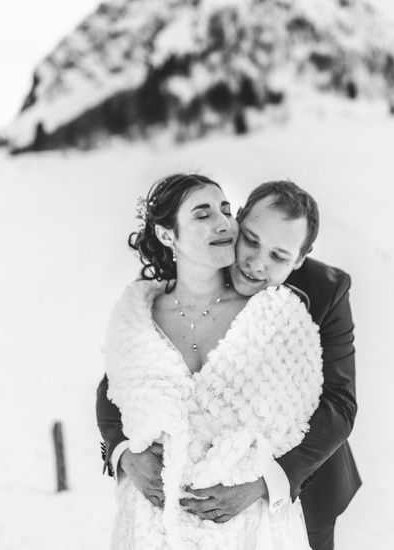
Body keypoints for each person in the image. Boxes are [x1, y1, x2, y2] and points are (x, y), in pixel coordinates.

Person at [98, 180, 361, 550]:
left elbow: (339, 404)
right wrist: (125, 453)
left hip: (296, 488)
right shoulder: (198, 268)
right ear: (238, 222)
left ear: (299, 259)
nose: (256, 264)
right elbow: (120, 380)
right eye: (251, 240)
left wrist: (263, 482)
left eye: (279, 256)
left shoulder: (322, 292)